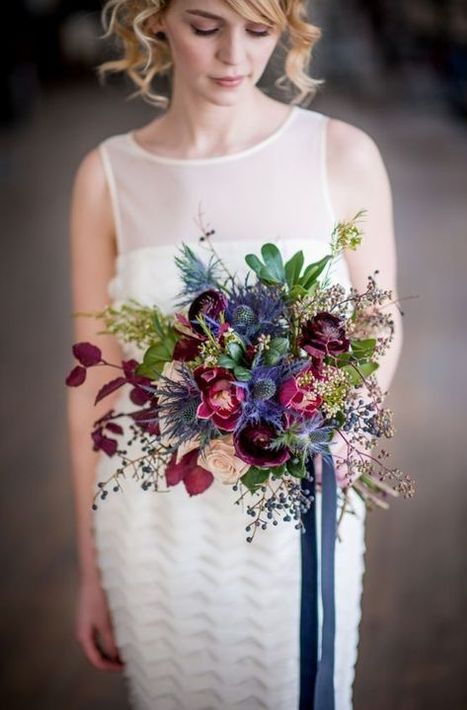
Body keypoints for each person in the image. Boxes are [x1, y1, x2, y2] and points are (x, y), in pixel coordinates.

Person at [67, 1, 403, 708]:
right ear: (155, 19)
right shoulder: (106, 177)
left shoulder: (341, 154)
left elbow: (380, 321)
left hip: (298, 513)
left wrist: (349, 426)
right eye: (205, 26)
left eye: (259, 30)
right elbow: (89, 385)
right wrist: (91, 569)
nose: (234, 57)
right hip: (154, 524)